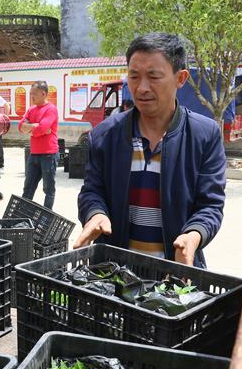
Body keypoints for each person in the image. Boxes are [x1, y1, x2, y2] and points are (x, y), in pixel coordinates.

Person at [75, 32, 226, 268]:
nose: (142, 88)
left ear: (181, 78)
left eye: (154, 76)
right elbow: (92, 191)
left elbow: (210, 205)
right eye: (134, 76)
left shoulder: (204, 135)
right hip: (114, 273)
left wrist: (194, 235)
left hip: (176, 273)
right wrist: (96, 214)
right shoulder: (105, 134)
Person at [18, 81, 58, 209]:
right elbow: (20, 127)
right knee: (28, 187)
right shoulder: (31, 109)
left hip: (49, 154)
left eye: (34, 94)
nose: (32, 97)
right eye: (31, 94)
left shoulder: (51, 109)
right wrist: (35, 127)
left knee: (48, 189)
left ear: (43, 93)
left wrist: (31, 129)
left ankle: (46, 217)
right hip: (34, 154)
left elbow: (41, 128)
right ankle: (23, 218)